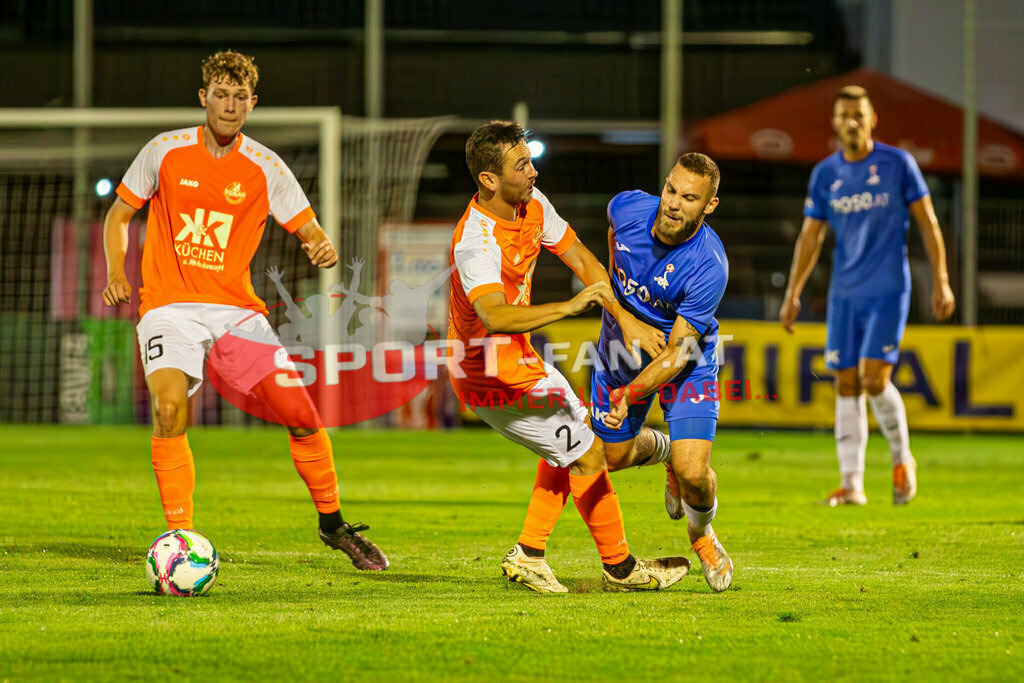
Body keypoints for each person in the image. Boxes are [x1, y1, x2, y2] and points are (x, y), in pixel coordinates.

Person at [101, 50, 388, 571]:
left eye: (240, 97)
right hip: (169, 305)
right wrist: (117, 271)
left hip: (236, 312)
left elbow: (308, 226)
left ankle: (333, 525)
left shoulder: (265, 166)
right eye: (220, 94)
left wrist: (321, 245)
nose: (229, 106)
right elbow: (120, 214)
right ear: (203, 97)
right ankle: (180, 541)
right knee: (169, 412)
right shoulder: (163, 152)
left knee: (302, 417)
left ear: (252, 104)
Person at [448, 120, 688, 592]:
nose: (533, 172)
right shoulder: (474, 241)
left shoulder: (532, 205)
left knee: (571, 448)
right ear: (489, 179)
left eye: (531, 160)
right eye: (521, 165)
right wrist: (572, 305)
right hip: (490, 374)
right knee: (591, 451)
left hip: (515, 362)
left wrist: (625, 317)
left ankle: (531, 553)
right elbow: (494, 316)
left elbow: (581, 258)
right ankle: (619, 567)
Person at [519, 153, 735, 592]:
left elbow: (677, 353)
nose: (673, 204)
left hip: (685, 363)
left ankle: (701, 534)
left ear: (709, 206)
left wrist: (631, 393)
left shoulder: (710, 264)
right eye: (671, 189)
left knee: (695, 475)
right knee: (609, 458)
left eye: (689, 198)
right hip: (618, 356)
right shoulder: (625, 209)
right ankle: (665, 452)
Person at [779, 85, 956, 506]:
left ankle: (901, 458)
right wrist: (793, 292)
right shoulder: (825, 174)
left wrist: (943, 280)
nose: (852, 121)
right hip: (844, 294)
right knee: (845, 382)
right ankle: (852, 485)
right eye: (844, 115)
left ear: (872, 119)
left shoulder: (898, 164)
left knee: (875, 379)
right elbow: (811, 235)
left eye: (859, 114)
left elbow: (928, 223)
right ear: (835, 122)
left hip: (888, 289)